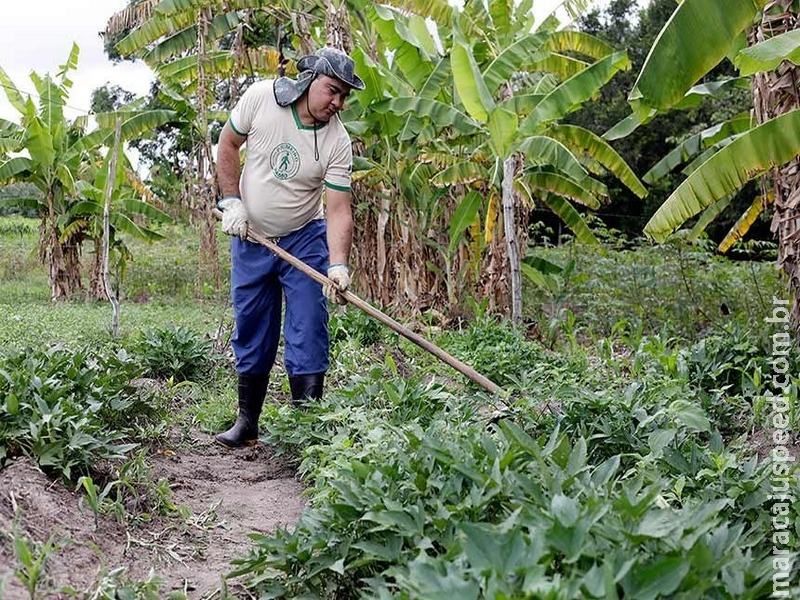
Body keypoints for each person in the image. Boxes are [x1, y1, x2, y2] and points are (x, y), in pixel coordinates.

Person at [214, 46, 365, 448]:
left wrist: (338, 265)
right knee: (252, 326)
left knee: (308, 327)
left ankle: (307, 432)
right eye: (333, 90)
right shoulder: (261, 99)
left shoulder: (337, 141)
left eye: (344, 96)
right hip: (252, 236)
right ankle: (247, 422)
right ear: (309, 79)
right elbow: (227, 145)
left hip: (304, 237)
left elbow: (337, 210)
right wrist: (231, 201)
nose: (338, 103)